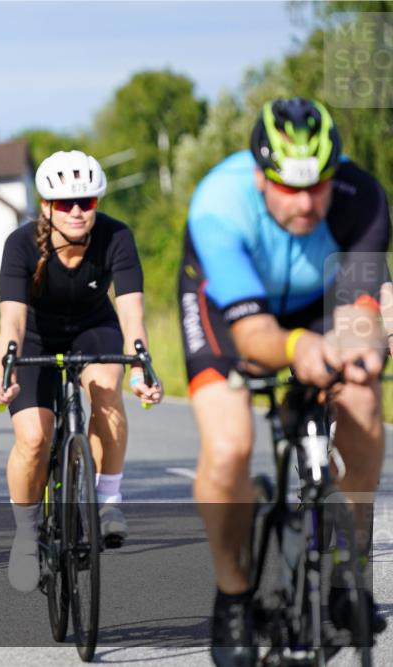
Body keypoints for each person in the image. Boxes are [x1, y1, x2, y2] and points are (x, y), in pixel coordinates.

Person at [177, 97, 389, 666]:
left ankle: (348, 572)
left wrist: (362, 349)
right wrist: (298, 350)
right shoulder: (219, 206)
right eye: (288, 187)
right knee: (229, 446)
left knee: (363, 399)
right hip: (228, 311)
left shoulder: (362, 199)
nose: (305, 203)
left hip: (319, 303)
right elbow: (254, 337)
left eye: (318, 186)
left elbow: (359, 314)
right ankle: (233, 596)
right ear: (259, 176)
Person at [0, 150, 163, 592]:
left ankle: (108, 500)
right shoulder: (21, 244)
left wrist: (141, 367)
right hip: (36, 337)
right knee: (33, 438)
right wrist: (6, 372)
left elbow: (131, 314)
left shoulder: (116, 237)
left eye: (87, 201)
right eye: (66, 203)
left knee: (106, 388)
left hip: (93, 328)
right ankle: (26, 534)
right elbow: (12, 321)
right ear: (46, 205)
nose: (78, 211)